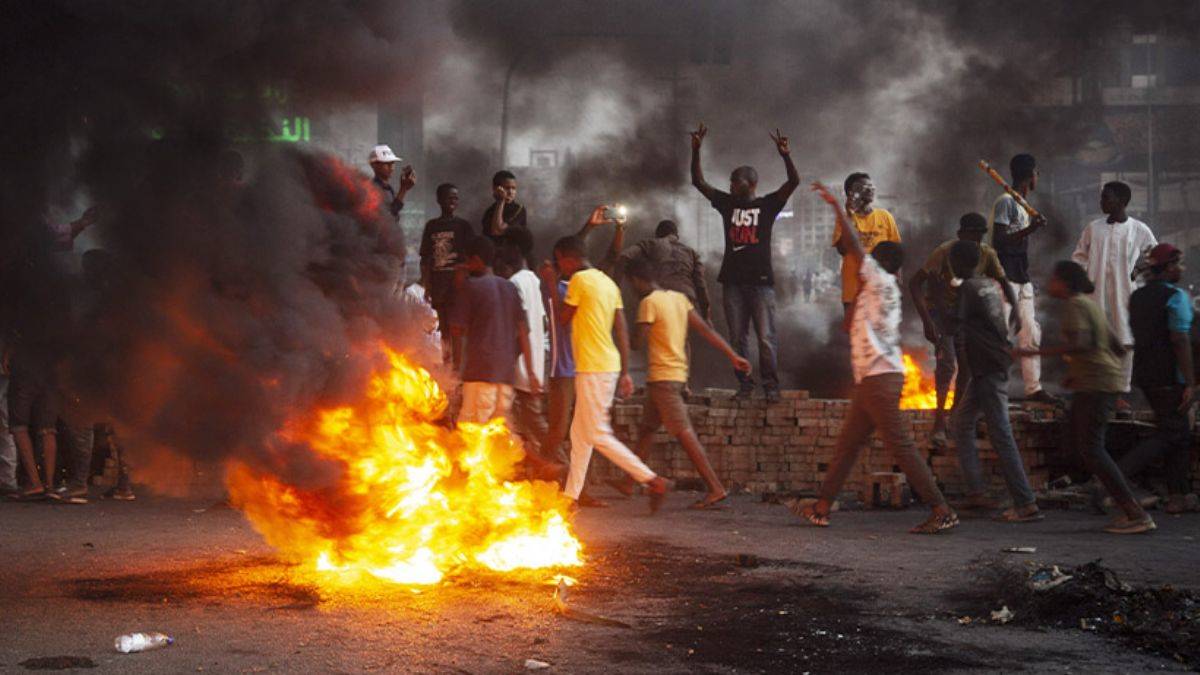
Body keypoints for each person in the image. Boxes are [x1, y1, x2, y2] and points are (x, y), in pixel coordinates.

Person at [794, 183, 958, 534]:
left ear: (881, 263)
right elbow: (854, 315)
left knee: (900, 445)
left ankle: (941, 509)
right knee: (847, 446)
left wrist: (838, 206)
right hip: (873, 380)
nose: (863, 261)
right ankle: (821, 507)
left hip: (880, 380)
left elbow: (852, 245)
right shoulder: (880, 288)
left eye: (871, 257)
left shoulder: (880, 281)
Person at [1017, 261, 1155, 534]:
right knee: (1085, 446)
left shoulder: (1075, 306)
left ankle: (1134, 511)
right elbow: (1116, 345)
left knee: (1092, 449)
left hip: (1096, 385)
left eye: (1054, 279)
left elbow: (1082, 343)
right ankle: (1122, 499)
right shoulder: (1090, 304)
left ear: (1065, 283)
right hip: (1100, 382)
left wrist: (1034, 353)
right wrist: (1083, 372)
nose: (1050, 284)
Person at [539, 236, 671, 512]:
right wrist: (624, 370)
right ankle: (570, 497)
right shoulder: (608, 283)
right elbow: (620, 328)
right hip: (604, 365)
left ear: (568, 258)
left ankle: (651, 479)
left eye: (559, 261)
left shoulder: (578, 281)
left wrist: (551, 284)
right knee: (580, 434)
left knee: (596, 433)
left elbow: (562, 320)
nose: (559, 266)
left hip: (593, 367)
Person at [610, 258, 750, 509]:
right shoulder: (678, 299)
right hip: (667, 378)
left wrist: (635, 327)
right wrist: (733, 355)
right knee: (647, 430)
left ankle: (715, 488)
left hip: (664, 380)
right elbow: (706, 331)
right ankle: (630, 482)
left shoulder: (648, 303)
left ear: (636, 281)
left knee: (684, 433)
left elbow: (637, 343)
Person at [690, 124, 799, 402]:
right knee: (738, 339)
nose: (729, 185)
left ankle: (771, 387)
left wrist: (785, 155)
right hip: (733, 283)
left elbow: (793, 183)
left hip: (761, 283)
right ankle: (745, 386)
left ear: (749, 184)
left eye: (734, 181)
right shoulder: (727, 204)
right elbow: (698, 183)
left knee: (766, 338)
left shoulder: (767, 205)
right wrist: (696, 151)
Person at [947, 240, 1041, 521]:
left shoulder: (966, 288)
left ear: (957, 263)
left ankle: (1025, 502)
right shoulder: (988, 284)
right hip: (990, 365)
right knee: (961, 423)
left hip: (988, 367)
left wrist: (939, 301)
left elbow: (954, 324)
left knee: (1001, 434)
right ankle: (977, 493)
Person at [909, 213, 1017, 447]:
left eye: (979, 238)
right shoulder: (944, 252)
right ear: (960, 236)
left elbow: (1004, 282)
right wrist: (928, 322)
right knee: (947, 365)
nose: (975, 244)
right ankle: (939, 422)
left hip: (964, 315)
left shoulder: (987, 254)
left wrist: (1015, 307)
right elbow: (915, 283)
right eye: (971, 238)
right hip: (942, 313)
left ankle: (956, 418)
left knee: (966, 367)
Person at [1119, 244, 1195, 514]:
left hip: (1145, 375)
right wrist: (1190, 382)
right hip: (1169, 378)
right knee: (1170, 433)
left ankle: (1179, 497)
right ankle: (1112, 480)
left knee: (1180, 435)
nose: (1181, 269)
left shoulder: (1137, 297)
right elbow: (1180, 339)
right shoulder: (1176, 297)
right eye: (1178, 264)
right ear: (1170, 267)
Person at [1071, 181, 1157, 399]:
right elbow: (1079, 257)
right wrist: (1083, 280)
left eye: (1106, 198)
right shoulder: (1093, 228)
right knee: (1096, 339)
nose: (1101, 202)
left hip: (1125, 294)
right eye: (1102, 197)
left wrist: (1135, 276)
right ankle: (1097, 388)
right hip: (1096, 293)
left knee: (1125, 340)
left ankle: (1120, 393)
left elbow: (1153, 258)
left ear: (1122, 201)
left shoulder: (1138, 229)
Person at [449, 237, 539, 425]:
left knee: (471, 432)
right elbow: (523, 332)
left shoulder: (470, 286)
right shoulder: (510, 288)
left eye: (468, 260)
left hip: (479, 375)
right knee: (496, 436)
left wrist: (456, 371)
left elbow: (456, 331)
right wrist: (531, 373)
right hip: (506, 378)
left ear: (476, 260)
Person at [989, 153, 1056, 404]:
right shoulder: (1006, 202)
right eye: (1037, 173)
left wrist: (1031, 226)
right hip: (1004, 278)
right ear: (1030, 175)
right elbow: (1000, 241)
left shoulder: (1022, 205)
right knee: (1001, 335)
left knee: (1030, 332)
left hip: (1022, 278)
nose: (1038, 178)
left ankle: (1033, 388)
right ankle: (994, 390)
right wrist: (1031, 228)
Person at [495, 237, 557, 478]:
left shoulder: (514, 283)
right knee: (525, 423)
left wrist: (527, 369)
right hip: (534, 363)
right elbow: (541, 323)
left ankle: (560, 467)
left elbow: (521, 329)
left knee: (527, 422)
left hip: (520, 366)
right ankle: (538, 469)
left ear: (517, 249)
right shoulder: (533, 279)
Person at [833, 172, 901, 332]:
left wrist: (897, 284)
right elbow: (842, 249)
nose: (870, 190)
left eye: (871, 187)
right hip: (853, 291)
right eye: (864, 188)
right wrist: (849, 214)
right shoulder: (843, 218)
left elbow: (896, 254)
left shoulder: (885, 217)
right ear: (851, 193)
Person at [612, 220, 711, 322]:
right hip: (686, 301)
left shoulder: (650, 244)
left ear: (658, 234)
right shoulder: (692, 253)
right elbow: (701, 285)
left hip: (660, 298)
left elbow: (624, 256)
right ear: (677, 236)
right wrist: (706, 317)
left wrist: (615, 290)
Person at [419, 183, 474, 361]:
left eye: (456, 198)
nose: (453, 201)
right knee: (444, 329)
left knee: (458, 327)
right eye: (449, 197)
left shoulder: (463, 226)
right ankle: (447, 363)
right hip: (439, 287)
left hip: (458, 287)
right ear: (439, 200)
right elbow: (425, 259)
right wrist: (427, 286)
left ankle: (459, 367)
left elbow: (472, 258)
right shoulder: (432, 226)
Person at [482, 170, 532, 261]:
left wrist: (501, 201)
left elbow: (498, 229)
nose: (511, 192)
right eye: (507, 188)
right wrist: (500, 202)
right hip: (494, 259)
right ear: (496, 189)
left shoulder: (519, 209)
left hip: (512, 260)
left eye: (514, 188)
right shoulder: (489, 212)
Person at [367, 144, 416, 222]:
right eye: (386, 163)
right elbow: (386, 218)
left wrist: (404, 189)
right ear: (374, 165)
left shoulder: (389, 189)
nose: (391, 166)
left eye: (392, 162)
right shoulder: (372, 189)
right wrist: (403, 190)